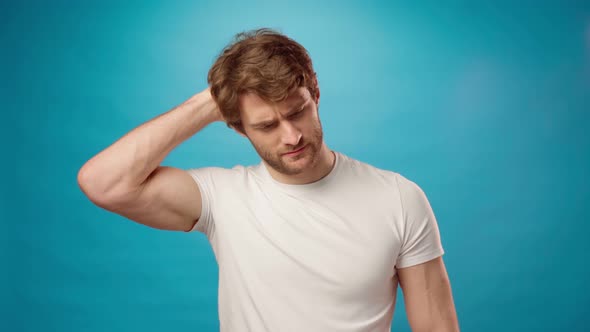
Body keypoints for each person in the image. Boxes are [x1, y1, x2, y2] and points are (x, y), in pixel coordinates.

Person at [78, 28, 460, 332]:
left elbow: (438, 327)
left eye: (297, 111)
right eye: (266, 125)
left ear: (316, 95)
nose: (290, 136)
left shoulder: (398, 198)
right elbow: (103, 183)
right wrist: (211, 101)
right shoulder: (221, 198)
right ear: (238, 128)